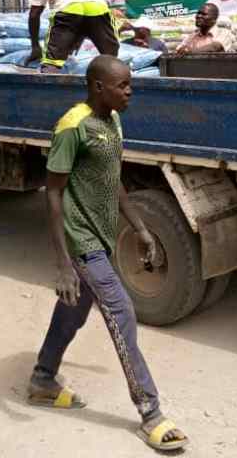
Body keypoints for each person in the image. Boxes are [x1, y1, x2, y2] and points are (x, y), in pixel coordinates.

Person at [27, 55, 189, 452]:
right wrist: (63, 264)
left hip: (102, 236)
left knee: (73, 312)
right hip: (81, 241)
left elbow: (111, 179)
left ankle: (43, 379)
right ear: (99, 87)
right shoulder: (73, 126)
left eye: (130, 84)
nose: (130, 91)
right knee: (122, 312)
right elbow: (53, 192)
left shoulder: (112, 120)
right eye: (123, 85)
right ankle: (150, 412)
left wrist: (141, 227)